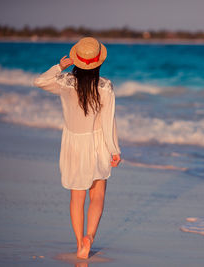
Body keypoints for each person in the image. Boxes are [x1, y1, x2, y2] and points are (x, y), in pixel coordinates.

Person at [34, 37, 121, 259]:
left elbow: (40, 82)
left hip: (73, 144)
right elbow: (108, 121)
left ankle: (78, 243)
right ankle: (89, 238)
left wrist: (60, 66)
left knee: (77, 197)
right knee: (98, 195)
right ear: (98, 62)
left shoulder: (65, 83)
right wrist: (114, 149)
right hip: (98, 143)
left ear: (77, 61)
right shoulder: (105, 87)